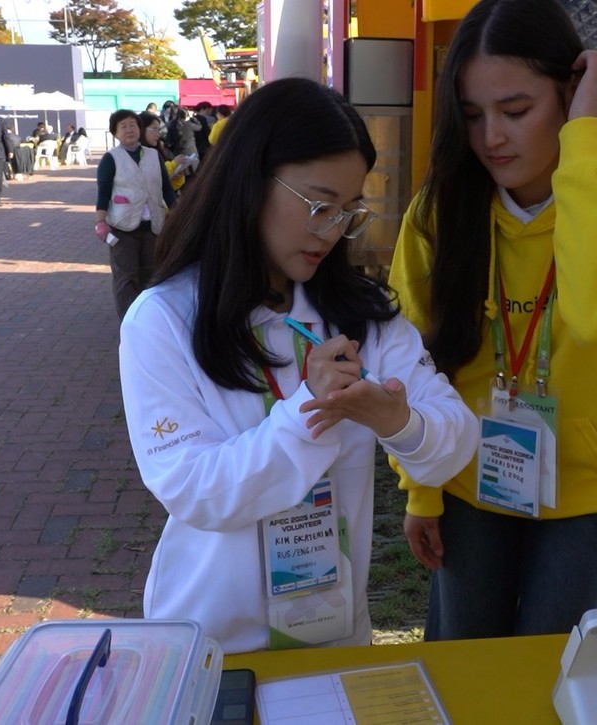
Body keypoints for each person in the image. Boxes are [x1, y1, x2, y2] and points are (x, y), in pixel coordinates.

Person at [118, 77, 478, 654]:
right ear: (251, 180)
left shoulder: (359, 315)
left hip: (333, 636)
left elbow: (455, 441)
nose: (331, 232)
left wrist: (398, 422)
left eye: (348, 212)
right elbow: (191, 489)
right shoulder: (164, 319)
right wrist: (307, 413)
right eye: (318, 206)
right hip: (211, 644)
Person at [389, 0, 597, 641]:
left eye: (516, 110)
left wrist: (589, 141)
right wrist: (422, 488)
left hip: (588, 494)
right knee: (465, 666)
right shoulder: (441, 211)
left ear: (572, 95)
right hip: (469, 478)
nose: (491, 138)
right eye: (473, 115)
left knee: (551, 669)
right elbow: (411, 362)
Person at [94, 109, 175, 320]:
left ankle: (148, 322)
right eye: (123, 126)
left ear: (139, 128)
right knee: (126, 278)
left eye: (133, 125)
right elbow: (103, 192)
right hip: (122, 228)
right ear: (115, 132)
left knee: (151, 276)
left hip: (153, 226)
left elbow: (166, 189)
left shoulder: (153, 155)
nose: (129, 130)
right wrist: (100, 221)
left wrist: (177, 215)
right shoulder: (111, 158)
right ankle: (129, 323)